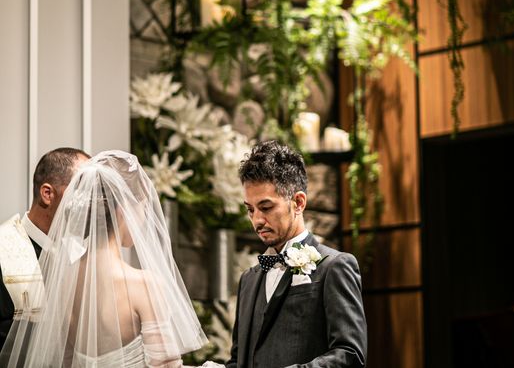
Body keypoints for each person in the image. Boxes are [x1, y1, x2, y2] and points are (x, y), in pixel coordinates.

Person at [1, 150, 208, 367]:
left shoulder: (62, 284)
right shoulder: (145, 286)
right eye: (142, 207)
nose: (144, 219)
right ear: (123, 211)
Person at [226, 140, 367, 368]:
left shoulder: (335, 267)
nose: (257, 220)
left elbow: (350, 355)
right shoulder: (248, 280)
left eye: (266, 207)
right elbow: (238, 361)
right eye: (250, 210)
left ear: (298, 202)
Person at [0, 147, 90, 350]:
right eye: (83, 190)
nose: (90, 203)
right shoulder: (2, 249)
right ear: (48, 194)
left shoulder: (86, 254)